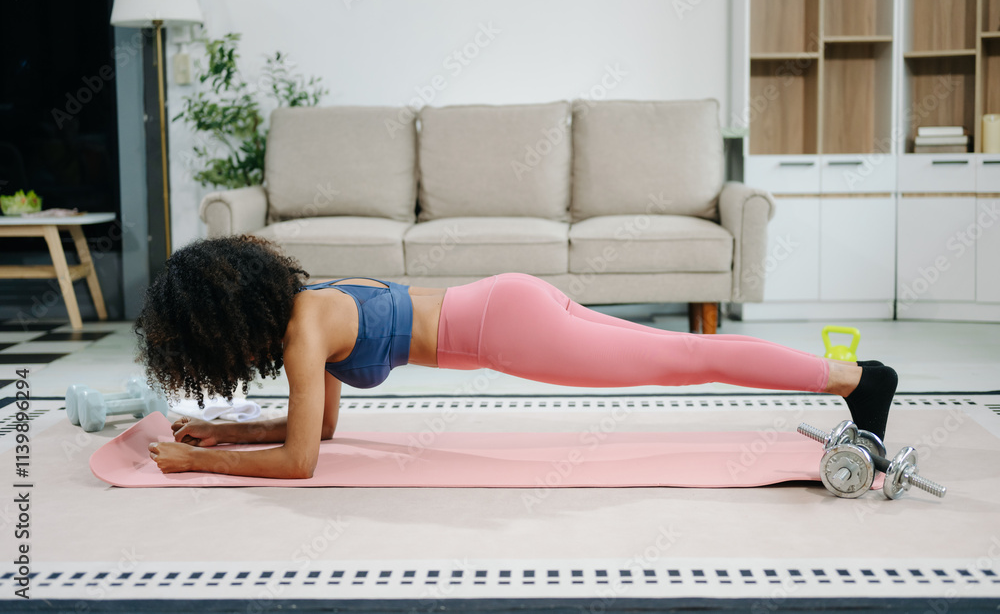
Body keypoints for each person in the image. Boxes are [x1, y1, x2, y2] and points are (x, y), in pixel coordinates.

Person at [136, 234, 897, 478]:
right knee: (687, 352)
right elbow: (321, 433)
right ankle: (855, 381)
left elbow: (301, 463)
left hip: (507, 327)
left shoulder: (305, 335)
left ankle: (857, 381)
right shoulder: (307, 310)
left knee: (687, 358)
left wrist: (196, 461)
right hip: (508, 303)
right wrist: (224, 433)